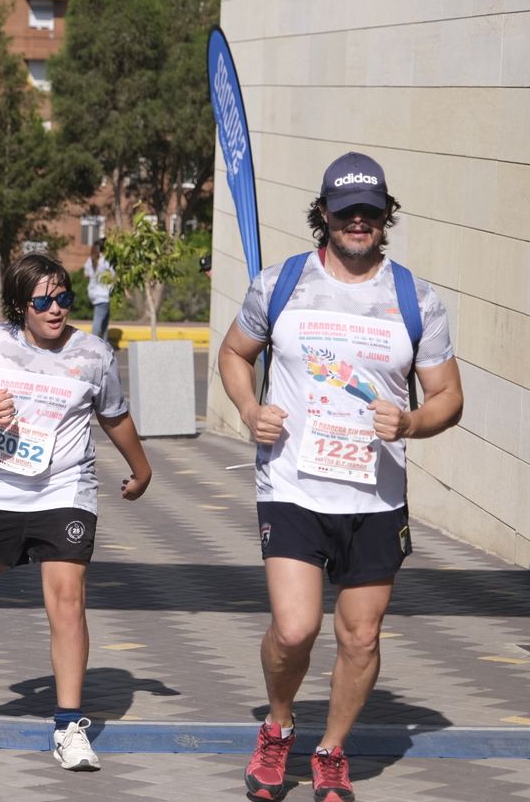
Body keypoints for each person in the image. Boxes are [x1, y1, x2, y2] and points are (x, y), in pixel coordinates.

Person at [218, 151, 463, 802]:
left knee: (360, 635)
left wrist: (411, 422)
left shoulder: (416, 299)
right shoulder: (280, 284)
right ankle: (277, 725)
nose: (359, 222)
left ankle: (330, 750)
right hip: (293, 484)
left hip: (376, 495)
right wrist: (249, 409)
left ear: (386, 217)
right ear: (323, 212)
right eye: (346, 210)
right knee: (295, 628)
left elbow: (448, 397)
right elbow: (235, 353)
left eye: (370, 212)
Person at [0, 252, 153, 772]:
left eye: (64, 298)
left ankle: (69, 725)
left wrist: (142, 469)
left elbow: (115, 416)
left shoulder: (93, 354)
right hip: (1, 490)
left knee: (67, 603)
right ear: (20, 306)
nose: (56, 309)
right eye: (44, 301)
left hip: (66, 490)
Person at [83, 238, 113, 341]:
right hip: (104, 294)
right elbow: (114, 275)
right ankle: (93, 342)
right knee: (99, 321)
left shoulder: (90, 260)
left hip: (93, 293)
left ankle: (105, 343)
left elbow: (86, 275)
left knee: (104, 321)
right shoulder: (105, 260)